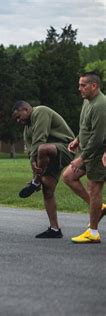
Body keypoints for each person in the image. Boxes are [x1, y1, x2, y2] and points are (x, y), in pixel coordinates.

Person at [12, 101, 75, 238]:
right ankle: (55, 229)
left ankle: (35, 182)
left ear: (26, 109)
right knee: (48, 189)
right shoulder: (27, 129)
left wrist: (35, 172)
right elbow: (30, 153)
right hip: (49, 157)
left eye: (19, 116)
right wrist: (33, 165)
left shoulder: (40, 112)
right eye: (16, 119)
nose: (18, 121)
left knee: (43, 148)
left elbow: (40, 139)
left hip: (67, 148)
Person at [63, 72, 105, 244]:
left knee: (94, 189)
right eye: (79, 85)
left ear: (94, 86)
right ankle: (99, 208)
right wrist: (77, 139)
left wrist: (82, 157)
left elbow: (98, 136)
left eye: (83, 85)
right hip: (88, 151)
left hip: (97, 154)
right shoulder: (87, 101)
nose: (79, 88)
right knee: (68, 177)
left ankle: (93, 232)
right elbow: (85, 126)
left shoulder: (100, 105)